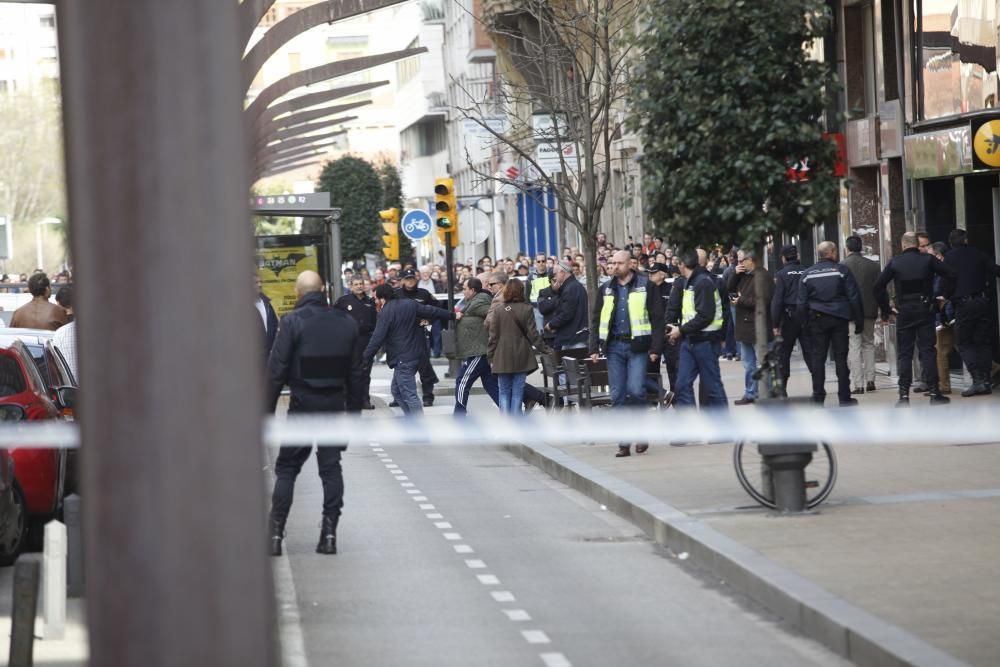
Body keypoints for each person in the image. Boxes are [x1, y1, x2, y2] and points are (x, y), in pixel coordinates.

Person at [266, 270, 366, 557]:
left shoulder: (292, 322)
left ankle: (275, 534)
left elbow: (276, 372)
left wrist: (266, 414)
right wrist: (354, 416)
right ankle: (329, 534)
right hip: (334, 406)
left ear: (298, 293)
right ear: (323, 290)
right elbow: (356, 373)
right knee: (331, 469)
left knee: (287, 469)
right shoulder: (346, 323)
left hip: (302, 406)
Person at [591, 250, 665, 457]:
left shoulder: (645, 286)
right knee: (617, 396)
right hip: (614, 347)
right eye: (612, 263)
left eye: (619, 263)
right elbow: (596, 319)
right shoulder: (606, 288)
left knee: (636, 391)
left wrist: (655, 348)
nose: (615, 267)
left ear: (630, 264)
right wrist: (593, 347)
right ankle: (623, 442)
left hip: (638, 347)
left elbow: (657, 319)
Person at [874, 233, 955, 405]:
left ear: (902, 245)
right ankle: (934, 393)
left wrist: (887, 309)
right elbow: (951, 274)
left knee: (905, 353)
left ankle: (903, 396)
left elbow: (878, 287)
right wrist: (943, 296)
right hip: (925, 309)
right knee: (928, 351)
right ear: (917, 244)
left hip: (904, 311)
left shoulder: (895, 262)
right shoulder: (927, 260)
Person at [364, 284, 456, 415]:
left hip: (402, 358)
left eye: (375, 298)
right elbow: (431, 310)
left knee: (409, 395)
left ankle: (417, 426)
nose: (375, 301)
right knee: (396, 391)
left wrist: (364, 358)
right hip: (413, 354)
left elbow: (376, 339)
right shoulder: (409, 304)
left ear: (382, 298)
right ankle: (411, 420)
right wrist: (452, 315)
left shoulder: (385, 312)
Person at [796, 241, 863, 406]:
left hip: (817, 320)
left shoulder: (807, 274)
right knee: (841, 358)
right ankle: (844, 397)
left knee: (818, 358)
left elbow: (801, 303)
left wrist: (804, 324)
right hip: (839, 318)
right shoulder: (841, 271)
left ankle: (818, 396)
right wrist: (858, 320)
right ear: (832, 252)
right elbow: (854, 296)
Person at [666, 250, 727, 409]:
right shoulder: (690, 281)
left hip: (705, 342)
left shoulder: (702, 282)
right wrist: (679, 330)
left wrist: (681, 330)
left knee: (712, 388)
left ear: (682, 264)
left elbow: (705, 316)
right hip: (690, 340)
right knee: (682, 385)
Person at [943, 228, 1000, 396]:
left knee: (965, 342)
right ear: (966, 240)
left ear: (951, 243)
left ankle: (977, 380)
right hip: (982, 302)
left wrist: (946, 298)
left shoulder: (949, 258)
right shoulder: (978, 254)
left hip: (964, 305)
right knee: (982, 342)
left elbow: (947, 283)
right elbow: (995, 270)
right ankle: (986, 380)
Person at [483, 270, 551, 410]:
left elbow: (493, 336)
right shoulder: (526, 309)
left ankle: (507, 424)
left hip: (501, 355)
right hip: (521, 355)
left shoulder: (499, 310)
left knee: (504, 392)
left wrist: (490, 357)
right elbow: (533, 335)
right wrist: (546, 350)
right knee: (517, 392)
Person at [727, 248, 772, 405]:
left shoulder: (763, 276)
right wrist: (735, 273)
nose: (738, 264)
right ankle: (751, 393)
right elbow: (728, 289)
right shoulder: (742, 275)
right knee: (748, 365)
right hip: (744, 327)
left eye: (741, 261)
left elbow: (762, 301)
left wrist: (741, 301)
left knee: (763, 363)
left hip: (757, 326)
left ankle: (766, 393)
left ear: (750, 260)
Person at [396, 268, 443, 406]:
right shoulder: (396, 295)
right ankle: (398, 396)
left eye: (412, 278)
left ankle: (428, 396)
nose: (410, 281)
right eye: (408, 278)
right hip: (403, 336)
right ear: (403, 280)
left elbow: (437, 309)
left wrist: (429, 321)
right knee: (401, 367)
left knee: (424, 365)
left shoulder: (424, 293)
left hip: (420, 334)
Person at [841, 235, 882, 394]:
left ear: (847, 248)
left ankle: (858, 384)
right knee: (868, 344)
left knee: (854, 347)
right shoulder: (873, 266)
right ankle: (871, 380)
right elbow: (880, 290)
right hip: (870, 311)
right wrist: (883, 309)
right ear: (861, 247)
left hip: (851, 314)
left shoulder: (842, 265)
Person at [453, 278, 499, 414]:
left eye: (464, 288)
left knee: (462, 381)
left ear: (472, 290)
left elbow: (494, 315)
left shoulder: (478, 303)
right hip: (480, 348)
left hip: (479, 351)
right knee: (491, 385)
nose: (463, 291)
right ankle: (510, 411)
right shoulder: (474, 302)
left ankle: (459, 415)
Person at [770, 244, 811, 394]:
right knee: (810, 352)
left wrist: (775, 323)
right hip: (806, 316)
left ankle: (782, 390)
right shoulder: (807, 271)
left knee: (784, 353)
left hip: (789, 318)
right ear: (797, 256)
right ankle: (818, 387)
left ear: (783, 258)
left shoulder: (781, 274)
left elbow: (778, 300)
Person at [334, 277, 378, 409]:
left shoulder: (370, 301)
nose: (359, 286)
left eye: (361, 284)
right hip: (349, 341)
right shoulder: (343, 301)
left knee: (365, 373)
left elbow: (375, 323)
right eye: (356, 284)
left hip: (366, 341)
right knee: (349, 372)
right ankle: (349, 400)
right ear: (350, 286)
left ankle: (365, 400)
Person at [544, 260, 589, 357]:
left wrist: (551, 325)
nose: (554, 277)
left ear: (562, 272)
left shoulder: (571, 288)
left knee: (574, 370)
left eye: (555, 274)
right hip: (571, 337)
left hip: (574, 339)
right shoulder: (571, 287)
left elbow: (566, 314)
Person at [645, 262, 676, 403]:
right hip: (652, 336)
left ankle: (676, 399)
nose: (650, 275)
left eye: (653, 273)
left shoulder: (671, 289)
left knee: (673, 368)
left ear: (663, 274)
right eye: (649, 273)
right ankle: (655, 400)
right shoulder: (646, 290)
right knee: (652, 369)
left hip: (669, 334)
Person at [929, 242, 957, 394]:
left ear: (939, 256)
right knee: (960, 345)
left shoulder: (941, 273)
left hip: (945, 316)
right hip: (950, 315)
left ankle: (944, 386)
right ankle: (993, 368)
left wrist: (941, 318)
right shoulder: (944, 270)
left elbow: (940, 296)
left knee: (940, 352)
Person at [254, 272, 280, 365]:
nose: (260, 285)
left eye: (261, 282)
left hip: (268, 358)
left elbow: (275, 326)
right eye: (256, 282)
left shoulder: (267, 304)